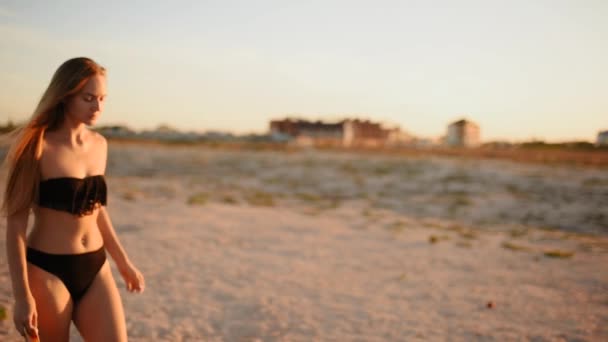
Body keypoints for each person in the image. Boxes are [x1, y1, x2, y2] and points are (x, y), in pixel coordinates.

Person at [2, 57, 145, 341]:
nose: (98, 107)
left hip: (95, 265)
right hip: (47, 270)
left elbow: (96, 210)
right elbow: (16, 227)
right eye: (88, 97)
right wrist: (22, 296)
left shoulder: (100, 145)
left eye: (103, 98)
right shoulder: (36, 146)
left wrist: (123, 261)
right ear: (65, 96)